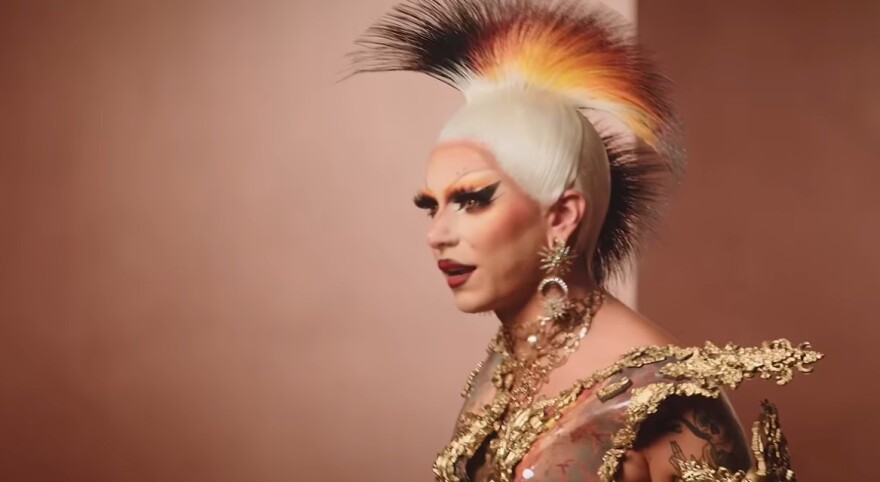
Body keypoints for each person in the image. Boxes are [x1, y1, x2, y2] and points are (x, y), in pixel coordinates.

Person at [347, 1, 823, 481]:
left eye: (473, 200)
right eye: (433, 205)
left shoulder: (664, 396)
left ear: (562, 216)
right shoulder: (509, 360)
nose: (437, 234)